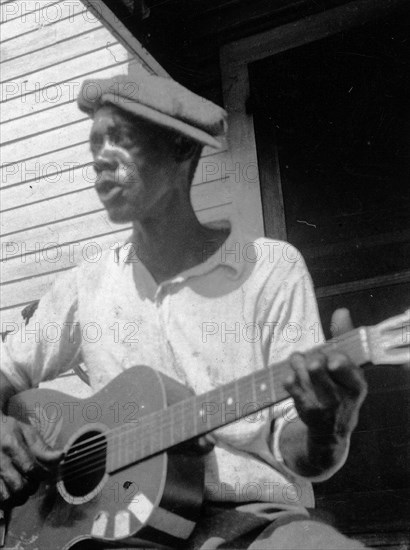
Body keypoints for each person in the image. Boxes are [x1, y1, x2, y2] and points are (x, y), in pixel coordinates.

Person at [0, 67, 368, 549]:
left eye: (121, 140)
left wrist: (326, 430)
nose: (99, 161)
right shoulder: (86, 283)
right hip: (107, 527)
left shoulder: (271, 269)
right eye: (95, 144)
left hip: (251, 520)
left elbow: (300, 452)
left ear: (181, 150)